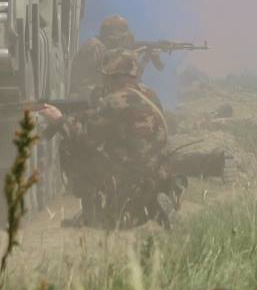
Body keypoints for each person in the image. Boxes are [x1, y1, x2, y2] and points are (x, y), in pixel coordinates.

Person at [38, 52, 178, 228]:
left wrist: (59, 120)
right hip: (160, 174)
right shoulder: (150, 95)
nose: (103, 81)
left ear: (115, 77)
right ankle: (155, 205)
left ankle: (93, 214)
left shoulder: (115, 101)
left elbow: (85, 138)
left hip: (131, 179)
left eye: (106, 77)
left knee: (71, 148)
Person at [72, 14, 137, 93]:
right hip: (84, 96)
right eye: (122, 38)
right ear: (113, 36)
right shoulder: (95, 47)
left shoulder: (100, 47)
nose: (122, 42)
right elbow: (83, 81)